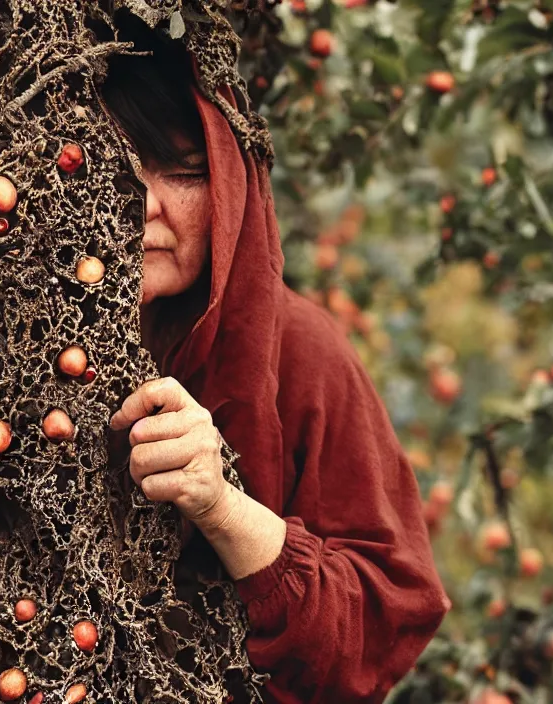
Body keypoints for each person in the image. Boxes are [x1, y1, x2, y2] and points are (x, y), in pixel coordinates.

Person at [99, 16, 452, 704]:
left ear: (232, 188)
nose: (144, 206)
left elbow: (387, 619)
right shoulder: (1, 339)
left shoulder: (300, 351)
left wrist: (223, 507)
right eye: (115, 168)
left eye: (185, 174)